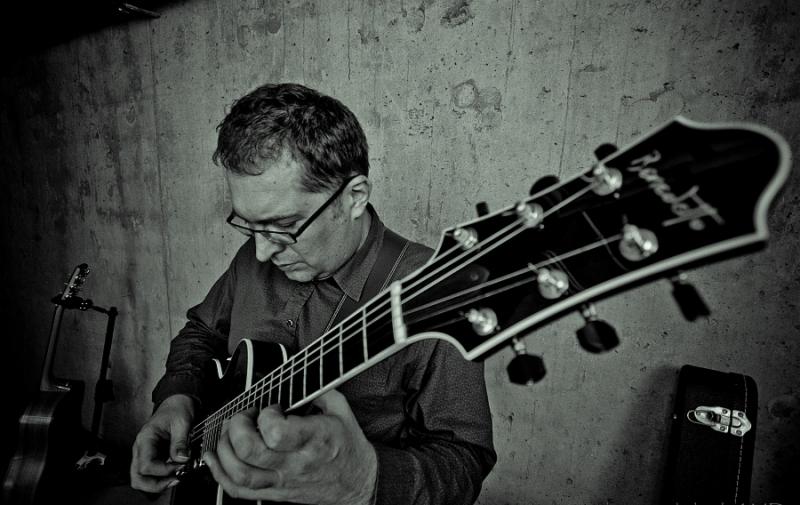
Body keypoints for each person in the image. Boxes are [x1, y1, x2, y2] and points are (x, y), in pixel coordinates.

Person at [130, 83, 496, 504]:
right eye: (249, 226)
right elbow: (202, 331)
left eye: (285, 226)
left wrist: (367, 480)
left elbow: (464, 460)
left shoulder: (433, 289)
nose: (262, 251)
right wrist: (177, 396)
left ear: (354, 197)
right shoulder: (260, 249)